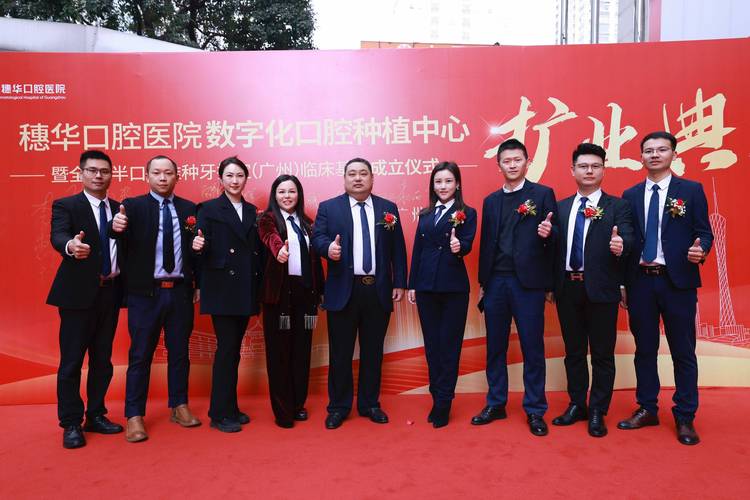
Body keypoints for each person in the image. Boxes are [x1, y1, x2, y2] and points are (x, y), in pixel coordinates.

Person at [618, 131, 713, 445]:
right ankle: (647, 408)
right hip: (640, 282)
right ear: (641, 156)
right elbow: (628, 240)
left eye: (661, 149)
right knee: (644, 350)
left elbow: (704, 233)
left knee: (683, 352)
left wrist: (701, 250)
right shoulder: (630, 195)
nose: (655, 155)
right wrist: (622, 281)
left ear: (673, 153)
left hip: (678, 283)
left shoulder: (691, 190)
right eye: (648, 150)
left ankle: (685, 416)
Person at [110, 155, 201, 442]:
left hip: (180, 292)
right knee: (140, 355)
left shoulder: (189, 209)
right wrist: (115, 227)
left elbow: (194, 250)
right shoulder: (132, 207)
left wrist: (197, 275)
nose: (163, 178)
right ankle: (134, 415)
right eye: (157, 173)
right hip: (145, 294)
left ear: (177, 176)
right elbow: (118, 240)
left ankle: (179, 405)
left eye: (168, 173)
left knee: (180, 353)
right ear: (147, 176)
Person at [312, 157, 408, 429]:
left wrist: (399, 282)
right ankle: (338, 406)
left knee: (373, 351)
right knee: (340, 353)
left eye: (363, 173)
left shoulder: (388, 208)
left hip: (377, 289)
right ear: (344, 178)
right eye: (352, 174)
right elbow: (317, 238)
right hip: (344, 289)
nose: (357, 178)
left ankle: (370, 403)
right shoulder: (329, 207)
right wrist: (328, 248)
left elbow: (398, 248)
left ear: (372, 178)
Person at [549, 143, 634, 437]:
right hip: (567, 288)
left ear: (603, 170)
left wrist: (622, 244)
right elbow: (553, 250)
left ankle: (598, 409)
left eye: (595, 166)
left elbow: (628, 237)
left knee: (602, 354)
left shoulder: (618, 206)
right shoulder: (560, 207)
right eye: (583, 166)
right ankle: (577, 404)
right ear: (572, 170)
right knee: (573, 352)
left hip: (602, 289)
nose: (589, 171)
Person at [474, 138, 558, 436]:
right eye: (506, 161)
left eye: (517, 160)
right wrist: (483, 282)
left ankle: (535, 409)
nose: (512, 165)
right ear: (499, 165)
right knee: (495, 346)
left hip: (529, 284)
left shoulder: (542, 194)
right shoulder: (491, 201)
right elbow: (486, 244)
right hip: (496, 282)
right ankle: (496, 402)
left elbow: (555, 237)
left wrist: (549, 233)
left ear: (527, 162)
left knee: (532, 347)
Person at [47, 150, 125, 449]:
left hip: (110, 292)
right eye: (92, 170)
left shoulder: (119, 209)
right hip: (77, 295)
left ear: (111, 175)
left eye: (104, 171)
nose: (98, 176)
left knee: (102, 361)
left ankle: (96, 415)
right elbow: (58, 235)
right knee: (71, 362)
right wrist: (70, 245)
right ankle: (70, 423)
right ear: (81, 173)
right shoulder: (66, 205)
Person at [191, 157, 263, 433]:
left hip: (245, 287)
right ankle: (219, 413)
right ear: (220, 179)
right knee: (226, 350)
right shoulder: (208, 209)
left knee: (233, 352)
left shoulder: (252, 210)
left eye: (239, 176)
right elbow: (200, 245)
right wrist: (197, 246)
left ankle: (229, 407)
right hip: (221, 288)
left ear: (246, 179)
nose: (234, 181)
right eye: (229, 175)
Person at [407, 161, 477, 428]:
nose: (443, 186)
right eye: (438, 182)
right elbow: (418, 250)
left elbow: (467, 243)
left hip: (453, 289)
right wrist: (413, 284)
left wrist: (460, 246)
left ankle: (444, 402)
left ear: (457, 184)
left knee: (449, 346)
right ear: (432, 185)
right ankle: (436, 394)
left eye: (448, 181)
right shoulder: (426, 214)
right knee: (432, 346)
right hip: (426, 288)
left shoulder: (467, 213)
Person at [258, 175, 324, 428]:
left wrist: (320, 292)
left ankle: (298, 404)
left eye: (292, 191)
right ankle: (283, 410)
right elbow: (270, 237)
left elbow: (315, 262)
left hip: (306, 298)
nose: (287, 196)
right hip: (280, 299)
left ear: (299, 195)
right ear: (274, 195)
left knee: (301, 350)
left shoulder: (307, 223)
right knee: (280, 353)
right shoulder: (267, 220)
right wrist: (279, 250)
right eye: (282, 191)